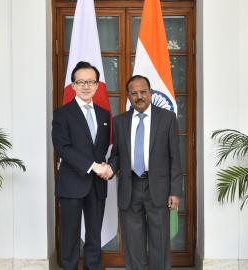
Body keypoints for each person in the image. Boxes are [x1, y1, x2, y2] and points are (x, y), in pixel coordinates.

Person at [107, 75, 182, 270]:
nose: (139, 96)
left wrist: (175, 191)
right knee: (133, 243)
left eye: (143, 92)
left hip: (158, 187)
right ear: (128, 97)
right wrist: (109, 168)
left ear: (150, 93)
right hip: (129, 186)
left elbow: (175, 156)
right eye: (134, 93)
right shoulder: (119, 122)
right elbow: (116, 155)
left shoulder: (167, 119)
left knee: (160, 241)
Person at [52, 61, 111, 270]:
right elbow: (63, 147)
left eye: (90, 82)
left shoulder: (105, 114)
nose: (86, 86)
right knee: (70, 236)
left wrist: (106, 168)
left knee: (95, 236)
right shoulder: (62, 113)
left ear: (97, 85)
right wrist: (93, 166)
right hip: (71, 183)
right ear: (73, 86)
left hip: (97, 185)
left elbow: (102, 149)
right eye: (81, 82)